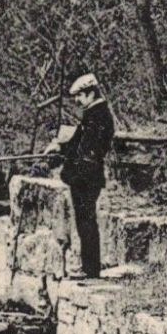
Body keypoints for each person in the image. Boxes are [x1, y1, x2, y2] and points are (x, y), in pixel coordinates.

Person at [47, 73, 115, 278]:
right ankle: (88, 267)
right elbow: (76, 143)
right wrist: (59, 147)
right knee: (84, 221)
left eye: (80, 95)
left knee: (86, 222)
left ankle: (90, 269)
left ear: (90, 93)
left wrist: (68, 162)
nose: (76, 100)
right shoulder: (92, 114)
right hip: (85, 177)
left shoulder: (98, 116)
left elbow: (86, 151)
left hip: (87, 178)